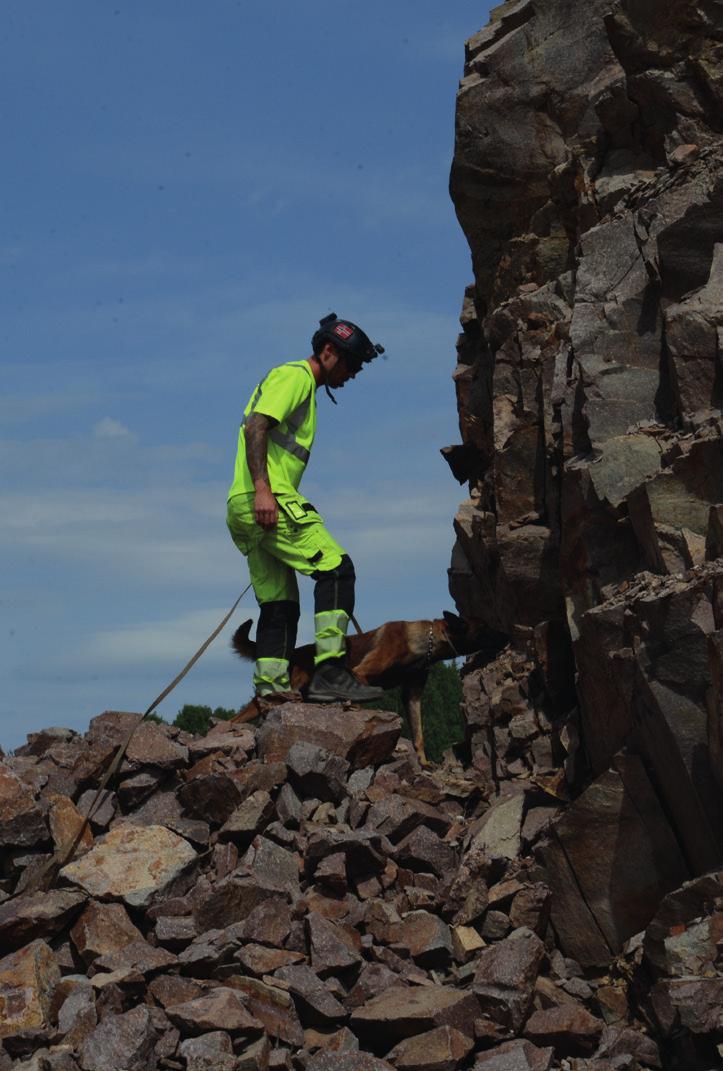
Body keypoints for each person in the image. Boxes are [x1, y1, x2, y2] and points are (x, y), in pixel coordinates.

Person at [226, 313, 385, 704]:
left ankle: (270, 696)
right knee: (336, 569)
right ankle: (331, 671)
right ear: (329, 351)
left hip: (243, 508)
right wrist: (264, 490)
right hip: (266, 501)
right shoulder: (295, 376)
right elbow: (256, 426)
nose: (352, 375)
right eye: (351, 364)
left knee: (279, 605)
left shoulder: (304, 390)